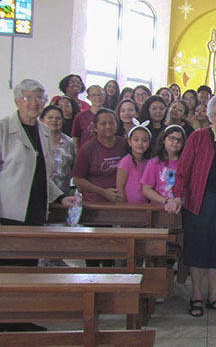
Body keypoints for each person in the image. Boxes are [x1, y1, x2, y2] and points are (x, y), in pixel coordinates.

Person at [0, 79, 74, 332]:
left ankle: (20, 317)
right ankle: (5, 318)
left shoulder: (43, 130)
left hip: (34, 210)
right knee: (7, 268)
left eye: (39, 98)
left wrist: (59, 197)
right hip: (8, 212)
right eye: (29, 98)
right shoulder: (3, 129)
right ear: (17, 100)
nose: (34, 103)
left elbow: (43, 173)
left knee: (28, 267)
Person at [168, 95, 216, 317]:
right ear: (210, 116)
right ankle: (196, 296)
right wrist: (176, 195)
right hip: (200, 202)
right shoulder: (198, 137)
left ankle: (214, 296)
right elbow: (183, 170)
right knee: (198, 249)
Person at [72, 108, 126, 203]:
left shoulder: (125, 144)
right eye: (103, 123)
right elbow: (77, 180)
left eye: (111, 123)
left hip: (122, 201)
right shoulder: (87, 149)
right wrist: (103, 192)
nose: (108, 126)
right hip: (95, 203)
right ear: (95, 127)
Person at [141, 125, 186, 205]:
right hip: (158, 208)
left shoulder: (186, 163)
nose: (176, 142)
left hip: (181, 207)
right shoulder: (154, 163)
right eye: (172, 138)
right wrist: (166, 201)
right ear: (163, 140)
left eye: (179, 140)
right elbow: (146, 189)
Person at [39, 105, 76, 195]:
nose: (54, 120)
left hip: (62, 195)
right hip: (39, 193)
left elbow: (74, 168)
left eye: (58, 118)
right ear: (41, 120)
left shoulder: (69, 143)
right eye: (50, 117)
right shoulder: (36, 140)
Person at [116, 120, 151, 204]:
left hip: (145, 207)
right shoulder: (126, 161)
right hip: (130, 207)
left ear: (149, 143)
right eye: (136, 140)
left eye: (144, 140)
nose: (140, 143)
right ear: (129, 142)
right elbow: (120, 187)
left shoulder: (149, 163)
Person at [71, 84, 106, 149]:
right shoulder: (80, 117)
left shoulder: (110, 116)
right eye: (93, 95)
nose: (97, 97)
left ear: (104, 96)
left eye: (100, 95)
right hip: (86, 153)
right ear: (88, 97)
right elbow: (75, 139)